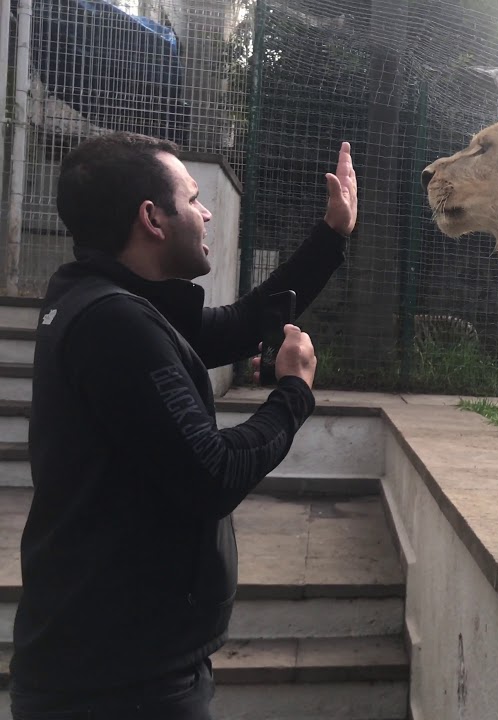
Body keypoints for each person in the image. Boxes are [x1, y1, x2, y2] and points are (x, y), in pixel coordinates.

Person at [8, 131, 358, 718]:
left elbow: (243, 323)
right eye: (193, 199)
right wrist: (294, 392)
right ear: (152, 218)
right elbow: (212, 474)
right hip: (120, 685)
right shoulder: (115, 324)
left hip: (112, 662)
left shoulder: (98, 296)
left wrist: (332, 234)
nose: (206, 212)